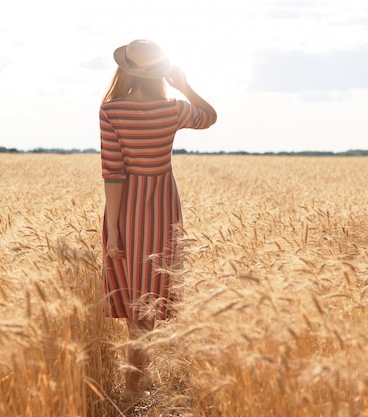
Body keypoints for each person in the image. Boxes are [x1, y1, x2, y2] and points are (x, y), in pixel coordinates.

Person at [99, 39, 217, 396]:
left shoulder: (111, 111)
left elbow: (113, 172)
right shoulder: (174, 108)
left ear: (126, 70)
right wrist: (185, 86)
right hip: (164, 202)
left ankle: (133, 385)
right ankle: (138, 381)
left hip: (128, 205)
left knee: (135, 298)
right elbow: (209, 117)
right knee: (149, 295)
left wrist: (116, 230)